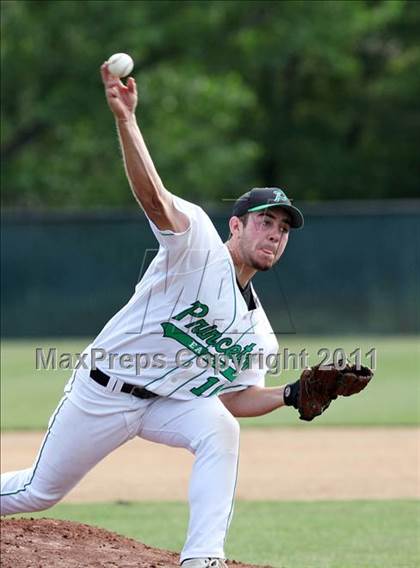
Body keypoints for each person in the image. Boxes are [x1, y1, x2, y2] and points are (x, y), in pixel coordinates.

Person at [0, 63, 309, 568]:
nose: (275, 234)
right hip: (103, 391)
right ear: (236, 225)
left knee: (219, 430)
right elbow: (154, 196)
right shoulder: (198, 245)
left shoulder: (259, 332)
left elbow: (234, 398)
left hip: (168, 404)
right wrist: (126, 120)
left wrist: (291, 394)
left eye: (283, 229)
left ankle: (202, 559)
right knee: (38, 491)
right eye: (265, 222)